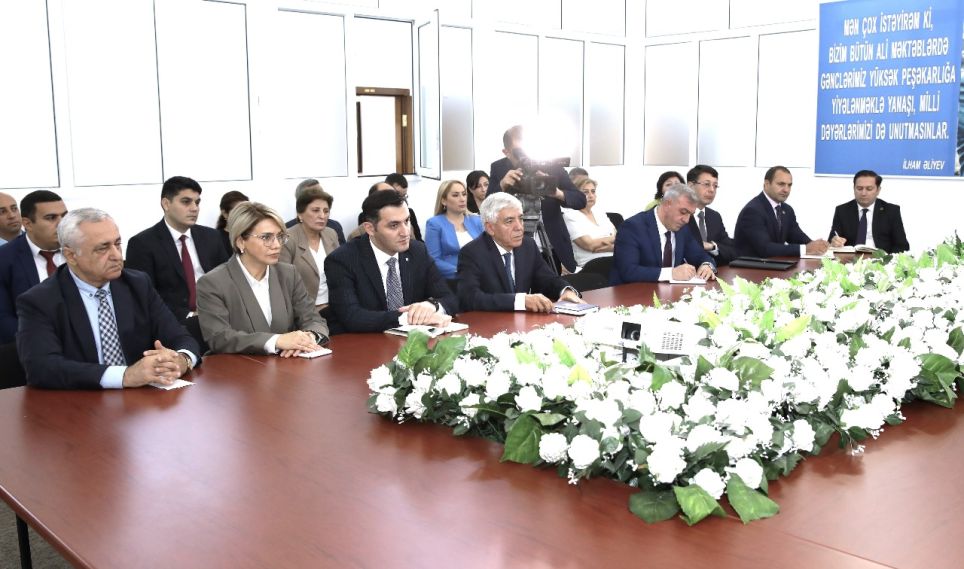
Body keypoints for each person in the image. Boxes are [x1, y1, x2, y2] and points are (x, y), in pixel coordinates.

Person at [16, 208, 200, 389]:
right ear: (71, 256)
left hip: (141, 398)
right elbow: (41, 367)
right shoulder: (39, 301)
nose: (117, 256)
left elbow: (179, 336)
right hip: (80, 399)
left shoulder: (137, 284)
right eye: (103, 248)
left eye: (117, 244)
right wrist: (125, 375)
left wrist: (181, 360)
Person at [197, 202, 329, 356]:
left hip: (289, 363)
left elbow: (313, 319)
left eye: (280, 237)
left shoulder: (288, 274)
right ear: (241, 242)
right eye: (266, 237)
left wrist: (308, 338)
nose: (277, 245)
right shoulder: (213, 282)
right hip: (239, 367)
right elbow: (219, 338)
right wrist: (276, 341)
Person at [325, 190, 458, 334]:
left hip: (412, 341)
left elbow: (450, 299)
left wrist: (431, 306)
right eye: (394, 225)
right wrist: (408, 318)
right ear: (370, 228)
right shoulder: (342, 260)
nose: (405, 232)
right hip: (367, 341)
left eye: (407, 221)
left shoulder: (418, 251)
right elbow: (351, 316)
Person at [125, 176, 230, 353]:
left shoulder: (212, 237)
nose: (194, 208)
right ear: (166, 204)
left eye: (197, 202)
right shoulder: (142, 243)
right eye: (186, 202)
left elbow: (228, 280)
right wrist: (190, 315)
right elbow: (143, 296)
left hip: (218, 316)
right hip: (176, 323)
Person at [488, 125, 587, 273]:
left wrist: (556, 192)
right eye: (519, 153)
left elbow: (580, 200)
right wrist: (502, 185)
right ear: (506, 152)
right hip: (514, 246)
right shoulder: (499, 168)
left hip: (552, 247)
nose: (525, 157)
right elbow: (486, 207)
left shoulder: (551, 165)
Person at [458, 193, 581, 312]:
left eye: (521, 218)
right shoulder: (472, 253)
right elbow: (470, 298)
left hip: (525, 321)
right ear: (490, 228)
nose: (519, 227)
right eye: (509, 221)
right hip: (491, 322)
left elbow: (547, 279)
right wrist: (520, 301)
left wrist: (565, 291)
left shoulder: (528, 246)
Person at [611, 183, 716, 284]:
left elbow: (700, 255)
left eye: (690, 214)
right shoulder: (632, 227)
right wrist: (671, 273)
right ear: (667, 204)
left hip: (671, 292)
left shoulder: (682, 228)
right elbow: (629, 271)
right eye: (683, 212)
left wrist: (707, 265)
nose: (687, 220)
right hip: (632, 292)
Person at [0, 190, 68, 344]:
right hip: (30, 347)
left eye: (64, 216)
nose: (62, 224)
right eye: (51, 218)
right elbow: (3, 319)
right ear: (28, 224)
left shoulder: (82, 250)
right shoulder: (4, 259)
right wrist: (42, 341)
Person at [734, 166, 835, 258]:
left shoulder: (787, 210)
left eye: (789, 185)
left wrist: (820, 246)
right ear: (767, 184)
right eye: (781, 184)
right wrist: (805, 249)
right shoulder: (752, 211)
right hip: (751, 269)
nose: (786, 190)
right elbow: (765, 248)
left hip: (775, 266)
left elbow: (797, 236)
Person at [280, 187, 340, 314]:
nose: (322, 216)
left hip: (335, 305)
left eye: (326, 211)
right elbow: (283, 283)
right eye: (315, 210)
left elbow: (342, 271)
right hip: (304, 311)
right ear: (300, 214)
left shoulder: (331, 234)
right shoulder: (288, 239)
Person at [828, 170, 909, 253]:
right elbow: (831, 240)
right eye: (859, 188)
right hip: (851, 258)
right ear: (854, 189)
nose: (863, 193)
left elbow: (902, 245)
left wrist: (887, 259)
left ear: (878, 190)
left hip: (881, 258)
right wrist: (834, 242)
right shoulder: (842, 210)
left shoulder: (891, 211)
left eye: (869, 189)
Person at [424, 180, 484, 280]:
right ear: (444, 201)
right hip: (452, 280)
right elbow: (433, 260)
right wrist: (461, 271)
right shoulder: (434, 224)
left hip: (480, 276)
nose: (462, 199)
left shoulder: (477, 220)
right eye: (455, 195)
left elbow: (488, 251)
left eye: (464, 194)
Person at [685, 165, 737, 266]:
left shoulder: (714, 217)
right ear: (690, 186)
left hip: (714, 272)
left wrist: (712, 247)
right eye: (706, 184)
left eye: (715, 186)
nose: (712, 190)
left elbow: (732, 251)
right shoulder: (680, 214)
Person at [562, 178, 616, 270]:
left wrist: (611, 247)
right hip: (591, 266)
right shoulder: (570, 215)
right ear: (575, 196)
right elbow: (590, 245)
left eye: (593, 191)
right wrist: (613, 240)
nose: (591, 195)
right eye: (585, 192)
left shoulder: (600, 213)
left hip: (614, 260)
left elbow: (620, 238)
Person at [285, 179, 346, 245]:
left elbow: (343, 250)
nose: (320, 197)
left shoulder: (335, 226)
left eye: (321, 193)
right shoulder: (286, 230)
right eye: (313, 194)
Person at [386, 173, 422, 241]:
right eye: (397, 195)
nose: (401, 200)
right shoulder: (376, 215)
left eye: (404, 196)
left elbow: (419, 240)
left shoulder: (410, 213)